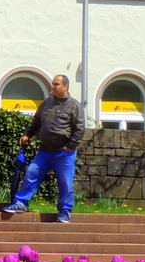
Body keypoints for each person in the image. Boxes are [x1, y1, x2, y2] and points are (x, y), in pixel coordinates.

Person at [6, 73, 86, 223]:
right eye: (53, 84)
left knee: (65, 182)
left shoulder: (74, 106)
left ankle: (64, 211)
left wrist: (70, 146)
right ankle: (21, 203)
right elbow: (37, 121)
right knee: (31, 174)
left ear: (65, 86)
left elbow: (80, 128)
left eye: (56, 84)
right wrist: (27, 135)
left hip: (64, 153)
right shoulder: (47, 102)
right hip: (44, 151)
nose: (53, 87)